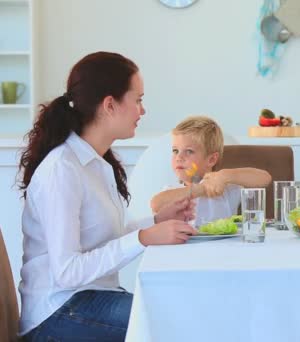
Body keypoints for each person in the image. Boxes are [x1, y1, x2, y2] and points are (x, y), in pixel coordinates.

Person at [17, 52, 198, 342]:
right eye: (137, 100)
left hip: (88, 300)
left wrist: (155, 221)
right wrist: (144, 237)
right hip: (57, 313)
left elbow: (99, 241)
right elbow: (67, 272)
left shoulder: (97, 163)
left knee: (179, 309)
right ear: (110, 105)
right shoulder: (62, 169)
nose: (143, 111)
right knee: (173, 319)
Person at [150, 116, 271, 225]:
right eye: (175, 150)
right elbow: (156, 204)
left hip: (225, 248)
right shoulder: (173, 190)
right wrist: (199, 190)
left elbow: (265, 178)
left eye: (189, 151)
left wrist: (226, 175)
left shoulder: (226, 188)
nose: (179, 157)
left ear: (211, 159)